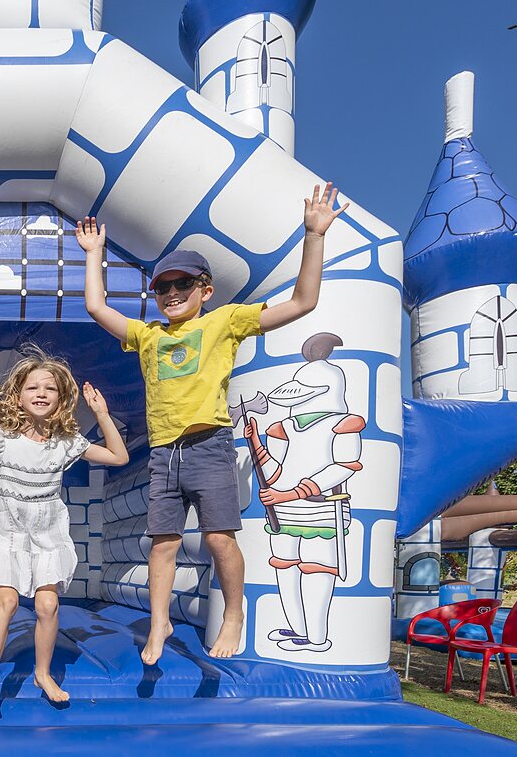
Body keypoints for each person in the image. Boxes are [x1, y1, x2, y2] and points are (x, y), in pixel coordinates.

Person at [77, 184, 348, 665]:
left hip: (209, 446)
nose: (172, 294)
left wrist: (314, 237)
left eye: (183, 285)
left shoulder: (224, 321)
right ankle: (158, 623)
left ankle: (234, 615)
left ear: (205, 290)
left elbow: (303, 302)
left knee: (220, 537)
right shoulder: (146, 334)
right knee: (161, 544)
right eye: (163, 287)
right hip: (165, 453)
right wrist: (95, 254)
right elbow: (97, 309)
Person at [0, 348, 128, 703]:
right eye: (32, 388)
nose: (41, 394)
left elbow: (119, 457)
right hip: (7, 530)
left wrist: (101, 414)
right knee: (5, 602)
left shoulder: (67, 442)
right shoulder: (0, 437)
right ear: (18, 396)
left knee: (48, 606)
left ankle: (42, 674)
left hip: (46, 532)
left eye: (49, 389)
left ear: (61, 398)